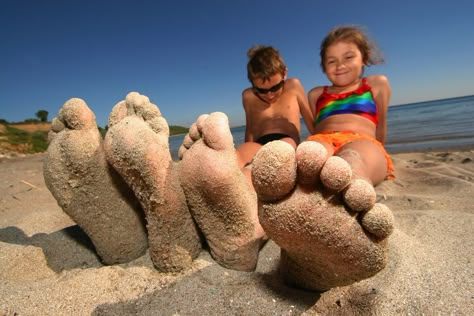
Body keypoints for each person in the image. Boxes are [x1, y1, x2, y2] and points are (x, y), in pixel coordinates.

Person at [305, 25, 395, 211]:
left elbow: (381, 125)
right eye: (332, 61)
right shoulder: (316, 94)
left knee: (354, 159)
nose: (340, 66)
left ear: (365, 57)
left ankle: (356, 192)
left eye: (348, 57)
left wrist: (378, 154)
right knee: (311, 157)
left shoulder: (376, 84)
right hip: (323, 139)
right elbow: (316, 127)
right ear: (323, 66)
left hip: (361, 139)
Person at [236, 45, 314, 181]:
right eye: (262, 90)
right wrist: (245, 150)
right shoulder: (248, 96)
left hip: (287, 140)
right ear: (252, 84)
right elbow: (250, 130)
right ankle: (241, 183)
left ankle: (259, 179)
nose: (270, 95)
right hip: (259, 144)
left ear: (285, 73)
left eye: (276, 87)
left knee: (283, 148)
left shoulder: (293, 86)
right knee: (238, 156)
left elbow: (310, 121)